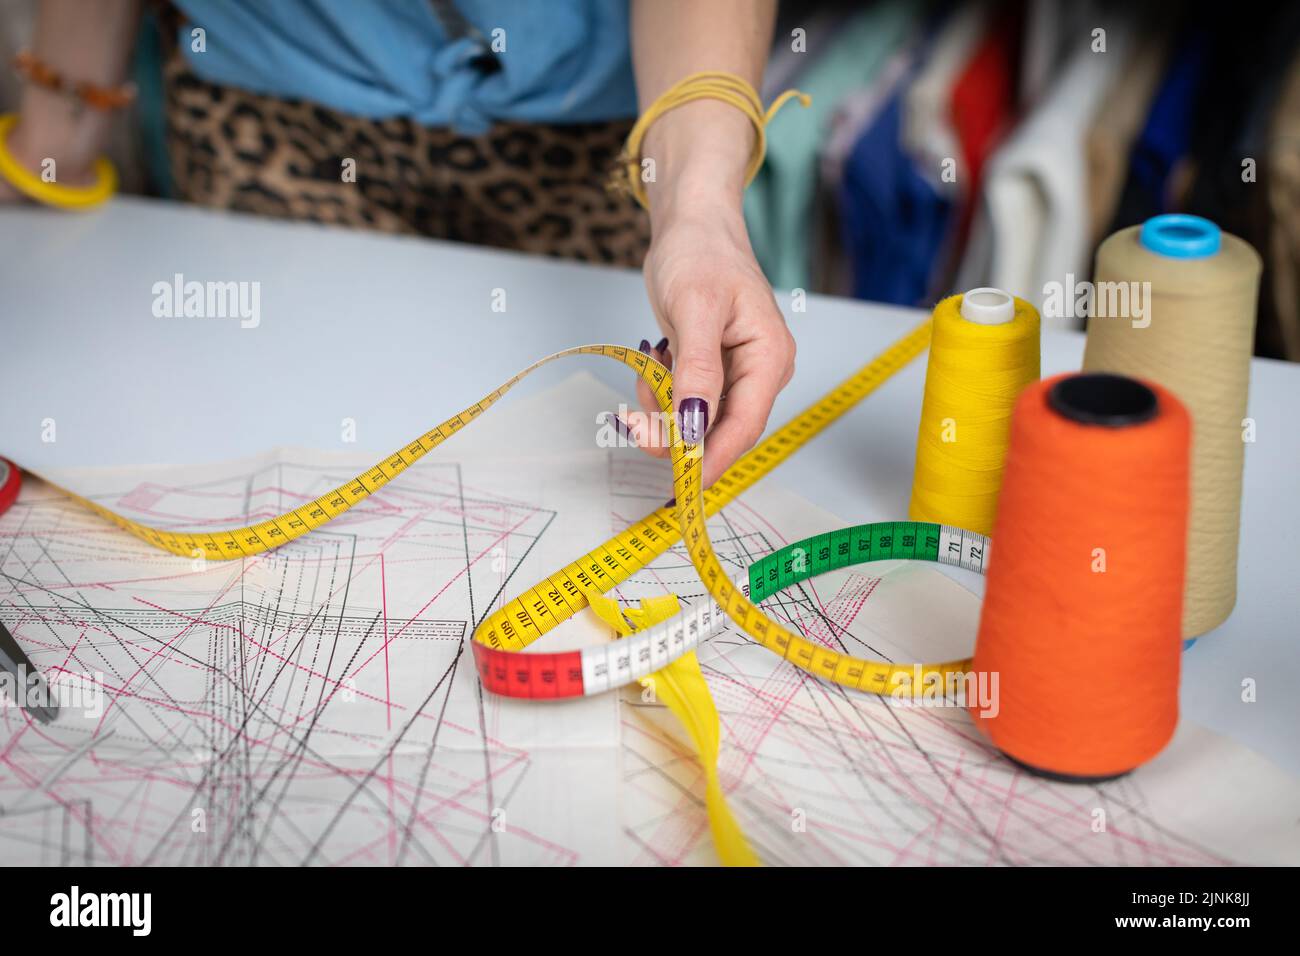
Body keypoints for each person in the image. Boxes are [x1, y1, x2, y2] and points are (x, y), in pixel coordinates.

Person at [1, 0, 797, 487]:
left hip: (610, 140)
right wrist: (50, 147)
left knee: (575, 466)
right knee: (266, 459)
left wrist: (696, 206)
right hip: (274, 114)